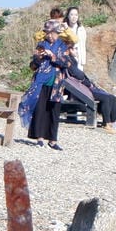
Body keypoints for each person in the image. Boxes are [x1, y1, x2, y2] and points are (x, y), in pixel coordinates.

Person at [16, 18, 75, 150]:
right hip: (41, 82)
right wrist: (38, 58)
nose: (49, 35)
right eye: (47, 33)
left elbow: (67, 63)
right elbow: (32, 66)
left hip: (56, 82)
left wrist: (53, 56)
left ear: (57, 33)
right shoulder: (41, 45)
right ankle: (39, 138)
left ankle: (53, 140)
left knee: (54, 111)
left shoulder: (63, 46)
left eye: (52, 33)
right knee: (40, 109)